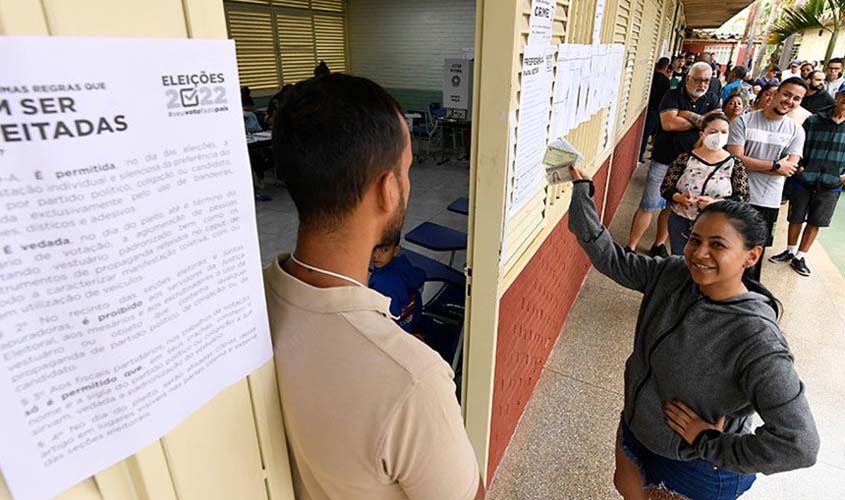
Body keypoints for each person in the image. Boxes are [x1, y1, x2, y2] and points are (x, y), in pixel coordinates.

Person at [267, 73, 484, 500]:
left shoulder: (249, 303)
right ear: (388, 190)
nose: (408, 182)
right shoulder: (412, 379)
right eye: (406, 170)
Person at [567, 166, 819, 500]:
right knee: (626, 488)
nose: (699, 254)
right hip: (638, 429)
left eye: (718, 245)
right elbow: (611, 259)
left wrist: (710, 442)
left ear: (752, 255)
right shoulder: (673, 274)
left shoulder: (756, 338)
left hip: (696, 466)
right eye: (695, 240)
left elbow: (799, 444)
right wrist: (582, 193)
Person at [626, 62, 721, 257]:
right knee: (649, 204)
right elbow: (669, 123)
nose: (702, 85)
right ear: (688, 78)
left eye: (706, 80)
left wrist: (686, 115)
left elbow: (713, 126)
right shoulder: (672, 95)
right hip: (663, 160)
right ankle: (631, 246)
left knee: (672, 206)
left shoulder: (711, 98)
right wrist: (700, 121)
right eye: (698, 80)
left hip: (689, 165)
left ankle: (658, 244)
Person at [726, 77, 807, 281]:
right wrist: (775, 165)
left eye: (796, 98)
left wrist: (760, 164)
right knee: (728, 245)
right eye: (787, 94)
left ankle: (747, 298)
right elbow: (735, 159)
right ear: (775, 93)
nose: (789, 101)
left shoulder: (796, 131)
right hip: (738, 195)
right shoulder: (745, 121)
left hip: (768, 201)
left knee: (755, 253)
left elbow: (790, 168)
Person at [770, 82, 845, 276]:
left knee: (816, 220)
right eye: (844, 96)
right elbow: (799, 145)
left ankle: (801, 256)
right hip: (804, 178)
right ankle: (790, 250)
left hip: (832, 182)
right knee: (795, 216)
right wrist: (800, 167)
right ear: (837, 96)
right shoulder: (814, 120)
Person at [660, 112, 750, 254]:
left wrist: (715, 203)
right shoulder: (685, 158)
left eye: (723, 132)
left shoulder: (735, 164)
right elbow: (666, 188)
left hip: (716, 224)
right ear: (702, 134)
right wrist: (679, 198)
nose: (718, 136)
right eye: (713, 132)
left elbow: (742, 198)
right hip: (682, 220)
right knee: (679, 259)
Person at [369, 236, 426, 333]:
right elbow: (420, 275)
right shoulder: (402, 265)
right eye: (373, 249)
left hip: (393, 332)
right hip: (409, 322)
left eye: (384, 250)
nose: (376, 255)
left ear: (396, 250)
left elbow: (388, 316)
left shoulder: (383, 283)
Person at [640, 57, 673, 162]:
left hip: (648, 107)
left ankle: (640, 155)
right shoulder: (665, 81)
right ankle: (641, 155)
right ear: (667, 67)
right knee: (650, 134)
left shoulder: (650, 76)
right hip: (655, 111)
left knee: (645, 134)